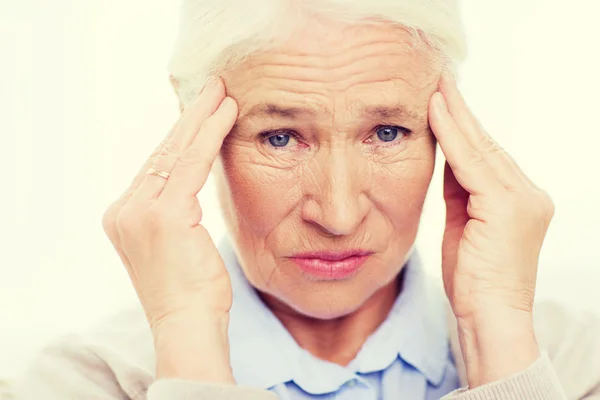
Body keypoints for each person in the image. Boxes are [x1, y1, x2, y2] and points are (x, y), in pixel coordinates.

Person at [10, 0, 600, 399]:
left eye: (387, 132)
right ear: (193, 123)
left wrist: (495, 337)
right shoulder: (77, 383)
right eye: (281, 136)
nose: (339, 216)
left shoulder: (573, 365)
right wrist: (187, 337)